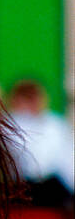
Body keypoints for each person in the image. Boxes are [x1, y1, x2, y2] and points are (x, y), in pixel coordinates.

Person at [7, 80, 74, 210]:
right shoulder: (11, 123)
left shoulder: (55, 124)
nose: (34, 103)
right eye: (28, 98)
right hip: (23, 185)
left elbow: (68, 160)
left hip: (54, 184)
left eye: (35, 98)